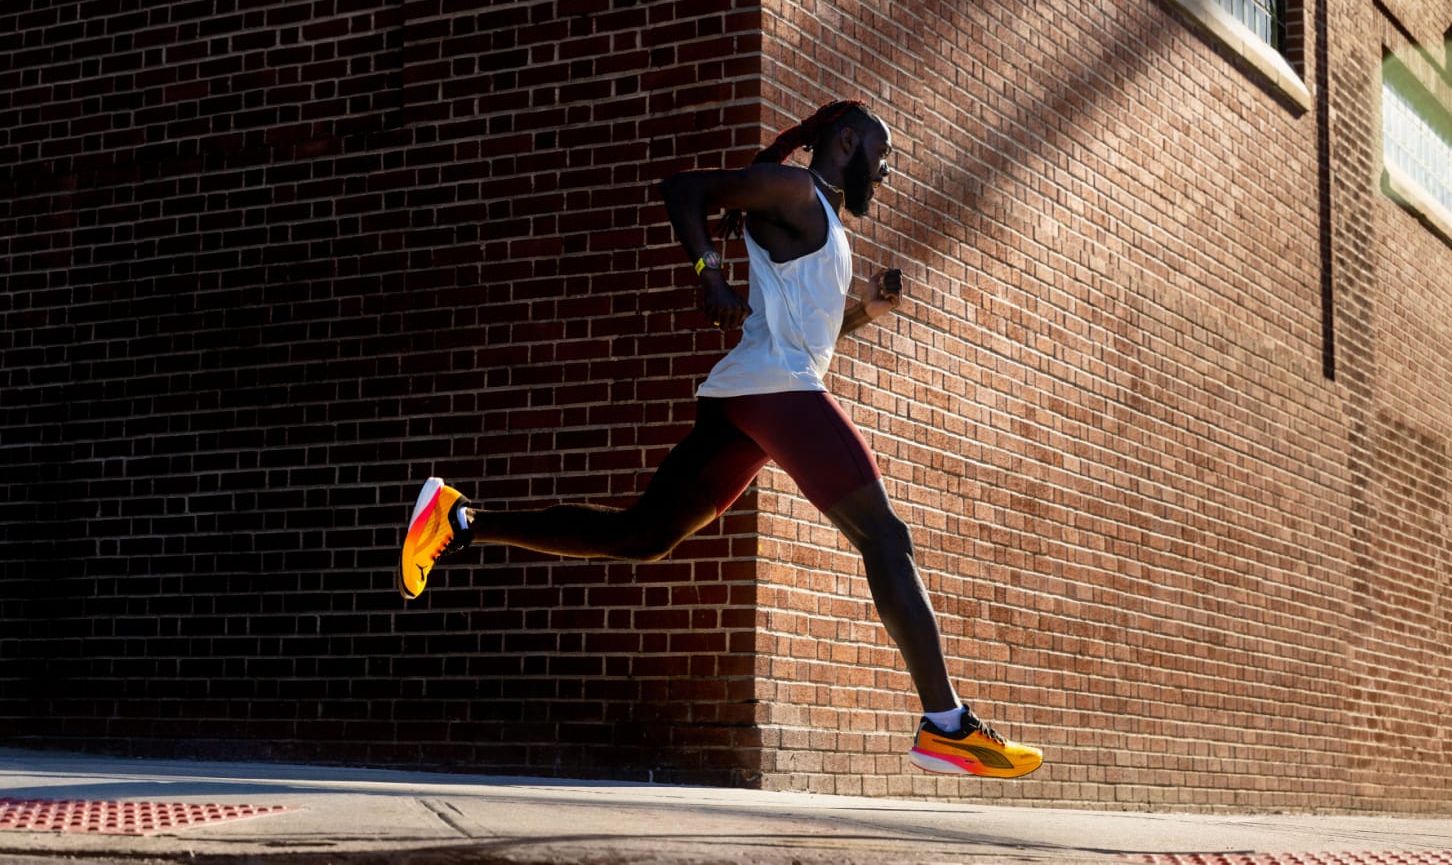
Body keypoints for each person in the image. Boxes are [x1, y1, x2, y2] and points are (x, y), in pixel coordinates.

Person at [397, 100, 1042, 779]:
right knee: (885, 538)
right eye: (881, 155)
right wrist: (709, 270)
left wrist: (868, 312)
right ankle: (947, 725)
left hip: (756, 392)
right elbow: (685, 190)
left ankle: (461, 521)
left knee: (644, 535)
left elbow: (804, 341)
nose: (885, 172)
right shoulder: (796, 191)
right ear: (847, 141)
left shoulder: (812, 207)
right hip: (773, 388)